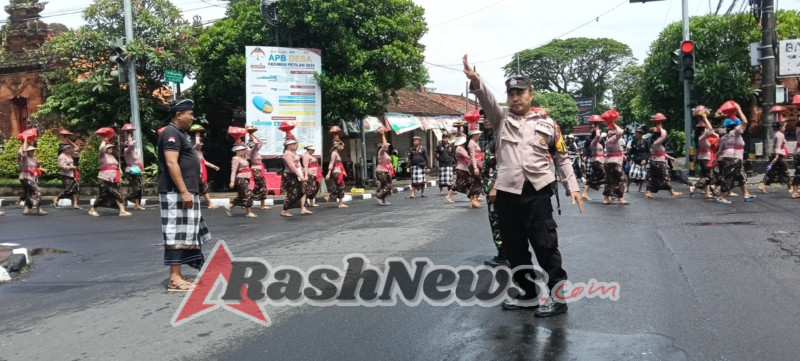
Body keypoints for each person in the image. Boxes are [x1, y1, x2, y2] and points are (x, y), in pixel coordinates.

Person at [464, 55, 583, 317]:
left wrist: (571, 186)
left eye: (520, 92)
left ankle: (558, 297)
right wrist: (477, 82)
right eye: (511, 93)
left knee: (545, 245)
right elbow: (488, 101)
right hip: (507, 192)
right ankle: (528, 294)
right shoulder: (501, 119)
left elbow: (561, 156)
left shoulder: (548, 124)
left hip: (538, 192)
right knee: (514, 247)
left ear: (530, 95)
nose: (515, 97)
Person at [157, 99, 211, 292]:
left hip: (185, 192)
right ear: (178, 114)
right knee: (175, 233)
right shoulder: (171, 133)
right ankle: (174, 279)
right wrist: (183, 191)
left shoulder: (179, 134)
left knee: (185, 233)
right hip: (176, 193)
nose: (192, 118)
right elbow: (172, 163)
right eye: (190, 114)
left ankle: (178, 275)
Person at [713, 103, 754, 204]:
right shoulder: (736, 132)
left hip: (733, 158)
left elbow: (720, 151)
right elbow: (745, 121)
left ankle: (746, 193)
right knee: (729, 177)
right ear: (735, 125)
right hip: (734, 158)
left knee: (741, 176)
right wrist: (739, 109)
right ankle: (721, 197)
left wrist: (715, 159)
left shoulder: (724, 137)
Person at [481, 121, 509, 267]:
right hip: (493, 185)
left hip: (497, 187)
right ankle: (505, 253)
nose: (485, 119)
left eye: (488, 116)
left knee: (497, 220)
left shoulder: (500, 137)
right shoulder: (492, 137)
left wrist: (495, 186)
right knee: (498, 219)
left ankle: (504, 255)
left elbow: (504, 163)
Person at [89, 140, 131, 217]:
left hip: (113, 178)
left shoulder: (112, 156)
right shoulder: (102, 155)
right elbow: (101, 148)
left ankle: (122, 211)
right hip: (104, 178)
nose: (111, 149)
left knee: (118, 193)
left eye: (111, 147)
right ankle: (93, 209)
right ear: (105, 149)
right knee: (102, 195)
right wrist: (103, 141)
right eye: (109, 148)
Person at [645, 114, 682, 199]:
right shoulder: (657, 143)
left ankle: (648, 192)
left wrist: (670, 157)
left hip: (655, 161)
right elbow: (664, 135)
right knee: (665, 176)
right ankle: (672, 192)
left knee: (653, 177)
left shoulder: (656, 144)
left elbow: (662, 153)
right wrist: (659, 126)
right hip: (659, 162)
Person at [758, 119, 791, 194]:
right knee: (785, 171)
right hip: (779, 155)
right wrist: (777, 156)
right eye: (783, 126)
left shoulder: (776, 133)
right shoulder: (780, 135)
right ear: (780, 127)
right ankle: (790, 187)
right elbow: (778, 146)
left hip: (774, 154)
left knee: (771, 171)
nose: (784, 128)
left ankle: (762, 184)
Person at [690, 107, 718, 198]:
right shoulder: (702, 138)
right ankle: (694, 187)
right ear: (702, 130)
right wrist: (705, 118)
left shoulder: (699, 138)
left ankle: (706, 193)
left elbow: (697, 150)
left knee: (704, 175)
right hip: (705, 159)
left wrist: (695, 159)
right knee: (709, 176)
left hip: (702, 158)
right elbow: (711, 130)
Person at [280, 136, 310, 217]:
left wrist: (293, 137)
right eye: (292, 144)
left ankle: (303, 208)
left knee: (302, 190)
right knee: (292, 192)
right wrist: (301, 176)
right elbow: (292, 166)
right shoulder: (287, 154)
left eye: (294, 144)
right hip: (289, 175)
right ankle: (284, 210)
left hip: (296, 173)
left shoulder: (293, 152)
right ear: (288, 145)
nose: (294, 145)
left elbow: (297, 144)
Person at [225, 144, 257, 217]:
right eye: (242, 150)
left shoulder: (244, 158)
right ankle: (249, 212)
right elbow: (233, 170)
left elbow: (254, 148)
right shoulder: (235, 158)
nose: (243, 151)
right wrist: (232, 181)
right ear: (237, 151)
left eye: (244, 150)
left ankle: (230, 207)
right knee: (248, 193)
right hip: (240, 178)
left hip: (246, 178)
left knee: (241, 196)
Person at [603, 120, 629, 204]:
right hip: (614, 162)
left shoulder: (608, 139)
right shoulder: (613, 139)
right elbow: (621, 131)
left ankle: (606, 198)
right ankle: (620, 197)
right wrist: (613, 123)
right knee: (622, 179)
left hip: (608, 162)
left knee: (609, 180)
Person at [18, 137, 46, 215]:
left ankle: (26, 208)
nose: (33, 152)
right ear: (27, 151)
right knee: (37, 191)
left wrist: (39, 164)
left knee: (28, 192)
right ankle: (39, 208)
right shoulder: (23, 157)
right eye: (31, 150)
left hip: (33, 177)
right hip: (26, 177)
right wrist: (25, 140)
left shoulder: (33, 158)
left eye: (33, 150)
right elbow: (23, 151)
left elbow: (35, 167)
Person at [194, 132, 220, 209]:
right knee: (201, 187)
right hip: (196, 172)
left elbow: (204, 162)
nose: (200, 146)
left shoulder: (200, 152)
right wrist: (197, 136)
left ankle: (209, 203)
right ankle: (209, 203)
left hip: (201, 172)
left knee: (204, 187)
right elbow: (197, 144)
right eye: (200, 145)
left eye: (201, 146)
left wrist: (214, 166)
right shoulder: (193, 151)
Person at [581, 118, 605, 201]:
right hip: (595, 160)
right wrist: (597, 128)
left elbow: (603, 148)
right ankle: (609, 195)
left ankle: (584, 193)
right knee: (606, 176)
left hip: (599, 160)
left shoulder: (601, 141)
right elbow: (585, 147)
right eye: (599, 133)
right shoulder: (593, 141)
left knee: (593, 177)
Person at [123, 125, 146, 210]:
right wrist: (129, 136)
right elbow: (131, 145)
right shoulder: (127, 150)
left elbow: (132, 146)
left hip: (136, 170)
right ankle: (124, 199)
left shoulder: (132, 151)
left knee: (139, 188)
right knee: (137, 187)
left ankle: (137, 205)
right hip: (131, 170)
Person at [247, 131, 271, 210]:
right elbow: (257, 143)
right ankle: (248, 201)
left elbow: (260, 142)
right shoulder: (252, 152)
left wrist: (253, 135)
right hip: (257, 170)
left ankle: (262, 204)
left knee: (262, 186)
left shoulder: (256, 152)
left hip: (259, 169)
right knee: (260, 186)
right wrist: (252, 136)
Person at [445, 132, 472, 204]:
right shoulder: (459, 148)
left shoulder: (461, 147)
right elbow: (467, 156)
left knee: (469, 181)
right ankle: (448, 196)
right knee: (458, 183)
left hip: (464, 167)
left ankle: (473, 196)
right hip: (461, 168)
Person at [54, 141, 81, 209]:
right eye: (67, 148)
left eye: (69, 148)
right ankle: (57, 198)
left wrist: (69, 141)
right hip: (66, 174)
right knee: (68, 190)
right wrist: (72, 167)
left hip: (73, 174)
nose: (69, 149)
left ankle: (75, 205)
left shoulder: (69, 154)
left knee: (76, 189)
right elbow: (63, 167)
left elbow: (76, 147)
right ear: (63, 149)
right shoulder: (61, 156)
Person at [325, 139, 348, 208]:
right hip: (336, 172)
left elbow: (343, 145)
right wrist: (328, 173)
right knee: (341, 186)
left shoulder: (336, 152)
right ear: (337, 146)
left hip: (339, 171)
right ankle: (338, 202)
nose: (341, 147)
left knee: (340, 187)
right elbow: (331, 163)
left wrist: (338, 139)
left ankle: (331, 198)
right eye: (340, 146)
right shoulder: (334, 153)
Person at [626, 128, 650, 193]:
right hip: (635, 160)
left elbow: (648, 152)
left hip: (643, 160)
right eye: (635, 133)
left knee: (642, 175)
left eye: (637, 134)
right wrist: (629, 161)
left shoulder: (646, 142)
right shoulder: (633, 142)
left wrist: (645, 159)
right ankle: (627, 187)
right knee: (631, 174)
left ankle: (640, 188)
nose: (635, 135)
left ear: (641, 135)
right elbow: (630, 152)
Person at [374, 130, 394, 205]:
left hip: (385, 171)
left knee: (384, 185)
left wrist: (382, 135)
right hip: (381, 171)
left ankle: (383, 200)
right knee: (388, 186)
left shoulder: (383, 153)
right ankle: (378, 195)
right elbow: (385, 146)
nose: (387, 146)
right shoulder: (381, 151)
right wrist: (383, 135)